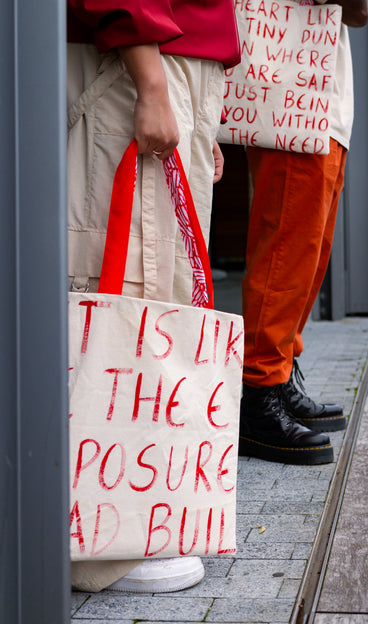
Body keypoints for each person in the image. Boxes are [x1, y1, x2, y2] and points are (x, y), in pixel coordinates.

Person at [67, 0, 240, 594]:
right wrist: (151, 78)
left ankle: (138, 516)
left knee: (157, 292)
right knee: (130, 292)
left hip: (168, 59)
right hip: (140, 54)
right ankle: (108, 538)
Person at [239, 0, 368, 465]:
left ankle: (277, 374)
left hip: (322, 86)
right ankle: (258, 394)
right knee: (288, 246)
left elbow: (357, 13)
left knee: (309, 249)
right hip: (296, 84)